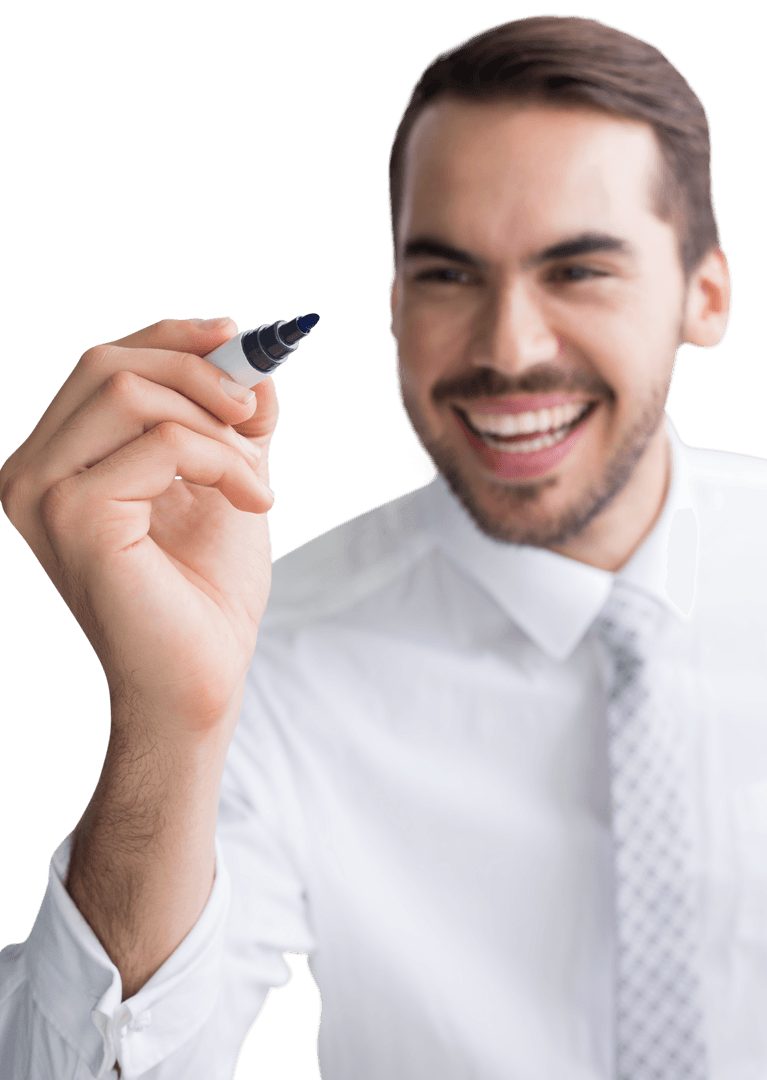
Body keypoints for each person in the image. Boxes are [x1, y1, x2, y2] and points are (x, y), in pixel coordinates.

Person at [0, 12, 764, 1079]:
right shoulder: (271, 652)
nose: (508, 348)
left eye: (578, 271)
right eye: (448, 276)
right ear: (394, 302)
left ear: (704, 296)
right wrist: (170, 719)